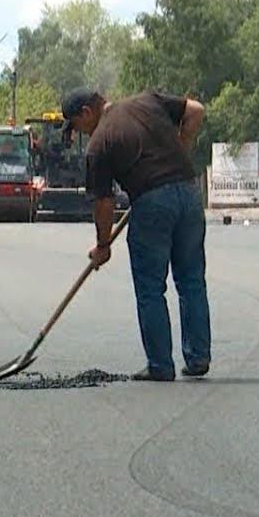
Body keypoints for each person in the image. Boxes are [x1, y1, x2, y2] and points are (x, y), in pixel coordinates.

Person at [60, 87, 210, 382]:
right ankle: (198, 356)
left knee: (151, 288)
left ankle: (160, 365)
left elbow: (104, 203)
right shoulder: (147, 101)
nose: (80, 135)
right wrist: (182, 149)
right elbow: (196, 111)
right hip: (190, 195)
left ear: (86, 113)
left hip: (153, 204)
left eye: (77, 127)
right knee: (192, 280)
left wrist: (103, 245)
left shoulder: (99, 143)